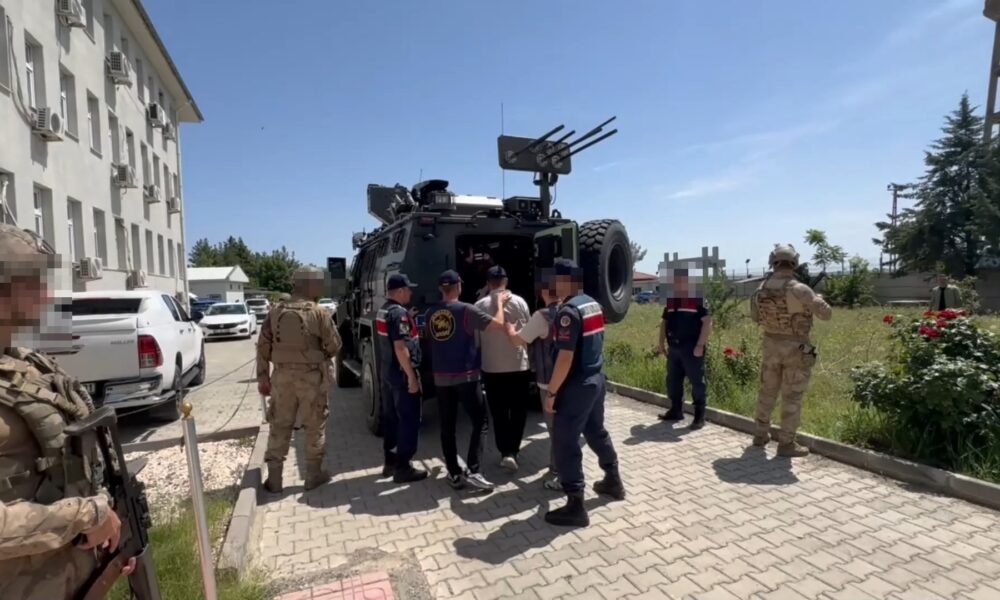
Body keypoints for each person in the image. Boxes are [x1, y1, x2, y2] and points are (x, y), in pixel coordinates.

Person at [0, 224, 138, 599]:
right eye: (35, 282)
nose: (47, 295)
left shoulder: (27, 364)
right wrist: (85, 517)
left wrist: (111, 527)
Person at [544, 258, 624, 527]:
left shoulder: (568, 312)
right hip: (596, 379)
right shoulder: (592, 304)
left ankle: (575, 505)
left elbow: (565, 357)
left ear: (563, 280)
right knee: (595, 431)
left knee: (565, 441)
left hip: (577, 385)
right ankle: (613, 480)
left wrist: (551, 392)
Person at [257, 265, 343, 492]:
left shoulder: (275, 311)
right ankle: (313, 475)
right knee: (315, 426)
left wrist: (263, 377)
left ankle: (275, 480)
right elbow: (334, 345)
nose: (321, 287)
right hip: (312, 379)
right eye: (318, 283)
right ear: (309, 285)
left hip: (281, 377)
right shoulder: (319, 312)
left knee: (279, 424)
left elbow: (263, 346)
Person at [424, 269, 507, 492]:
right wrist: (499, 303)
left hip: (441, 378)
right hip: (466, 377)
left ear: (441, 289)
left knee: (447, 426)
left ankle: (454, 473)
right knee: (480, 422)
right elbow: (498, 325)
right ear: (459, 286)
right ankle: (474, 470)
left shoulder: (430, 313)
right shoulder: (466, 310)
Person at [750, 244, 832, 457]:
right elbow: (826, 315)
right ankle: (786, 444)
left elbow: (755, 317)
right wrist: (819, 300)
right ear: (794, 262)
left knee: (767, 391)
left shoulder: (761, 288)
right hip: (797, 347)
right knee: (792, 396)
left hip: (770, 345)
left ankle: (760, 434)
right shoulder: (801, 289)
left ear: (773, 262)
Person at [506, 270, 562, 490]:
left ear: (544, 292)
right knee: (566, 426)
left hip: (549, 381)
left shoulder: (541, 316)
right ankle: (559, 466)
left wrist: (510, 329)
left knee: (554, 428)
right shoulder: (570, 311)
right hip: (569, 379)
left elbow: (518, 341)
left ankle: (559, 471)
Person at [475, 265, 532, 472]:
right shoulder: (520, 302)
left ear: (488, 283)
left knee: (498, 412)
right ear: (505, 281)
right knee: (518, 410)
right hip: (518, 366)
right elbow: (527, 334)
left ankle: (504, 451)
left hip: (491, 367)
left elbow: (476, 340)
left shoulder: (479, 306)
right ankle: (513, 450)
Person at [376, 273, 427, 483]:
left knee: (391, 418)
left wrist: (409, 318)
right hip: (402, 374)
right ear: (399, 291)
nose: (411, 292)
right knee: (409, 419)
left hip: (388, 372)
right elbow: (400, 347)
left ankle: (390, 462)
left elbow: (392, 333)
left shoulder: (384, 310)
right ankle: (403, 467)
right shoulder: (399, 315)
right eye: (408, 289)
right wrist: (412, 378)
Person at [657, 268, 712, 429]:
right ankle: (676, 410)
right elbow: (664, 322)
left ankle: (699, 416)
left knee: (697, 382)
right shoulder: (672, 300)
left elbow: (707, 322)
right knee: (673, 381)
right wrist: (661, 342)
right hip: (674, 348)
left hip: (692, 348)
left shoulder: (697, 298)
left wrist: (700, 345)